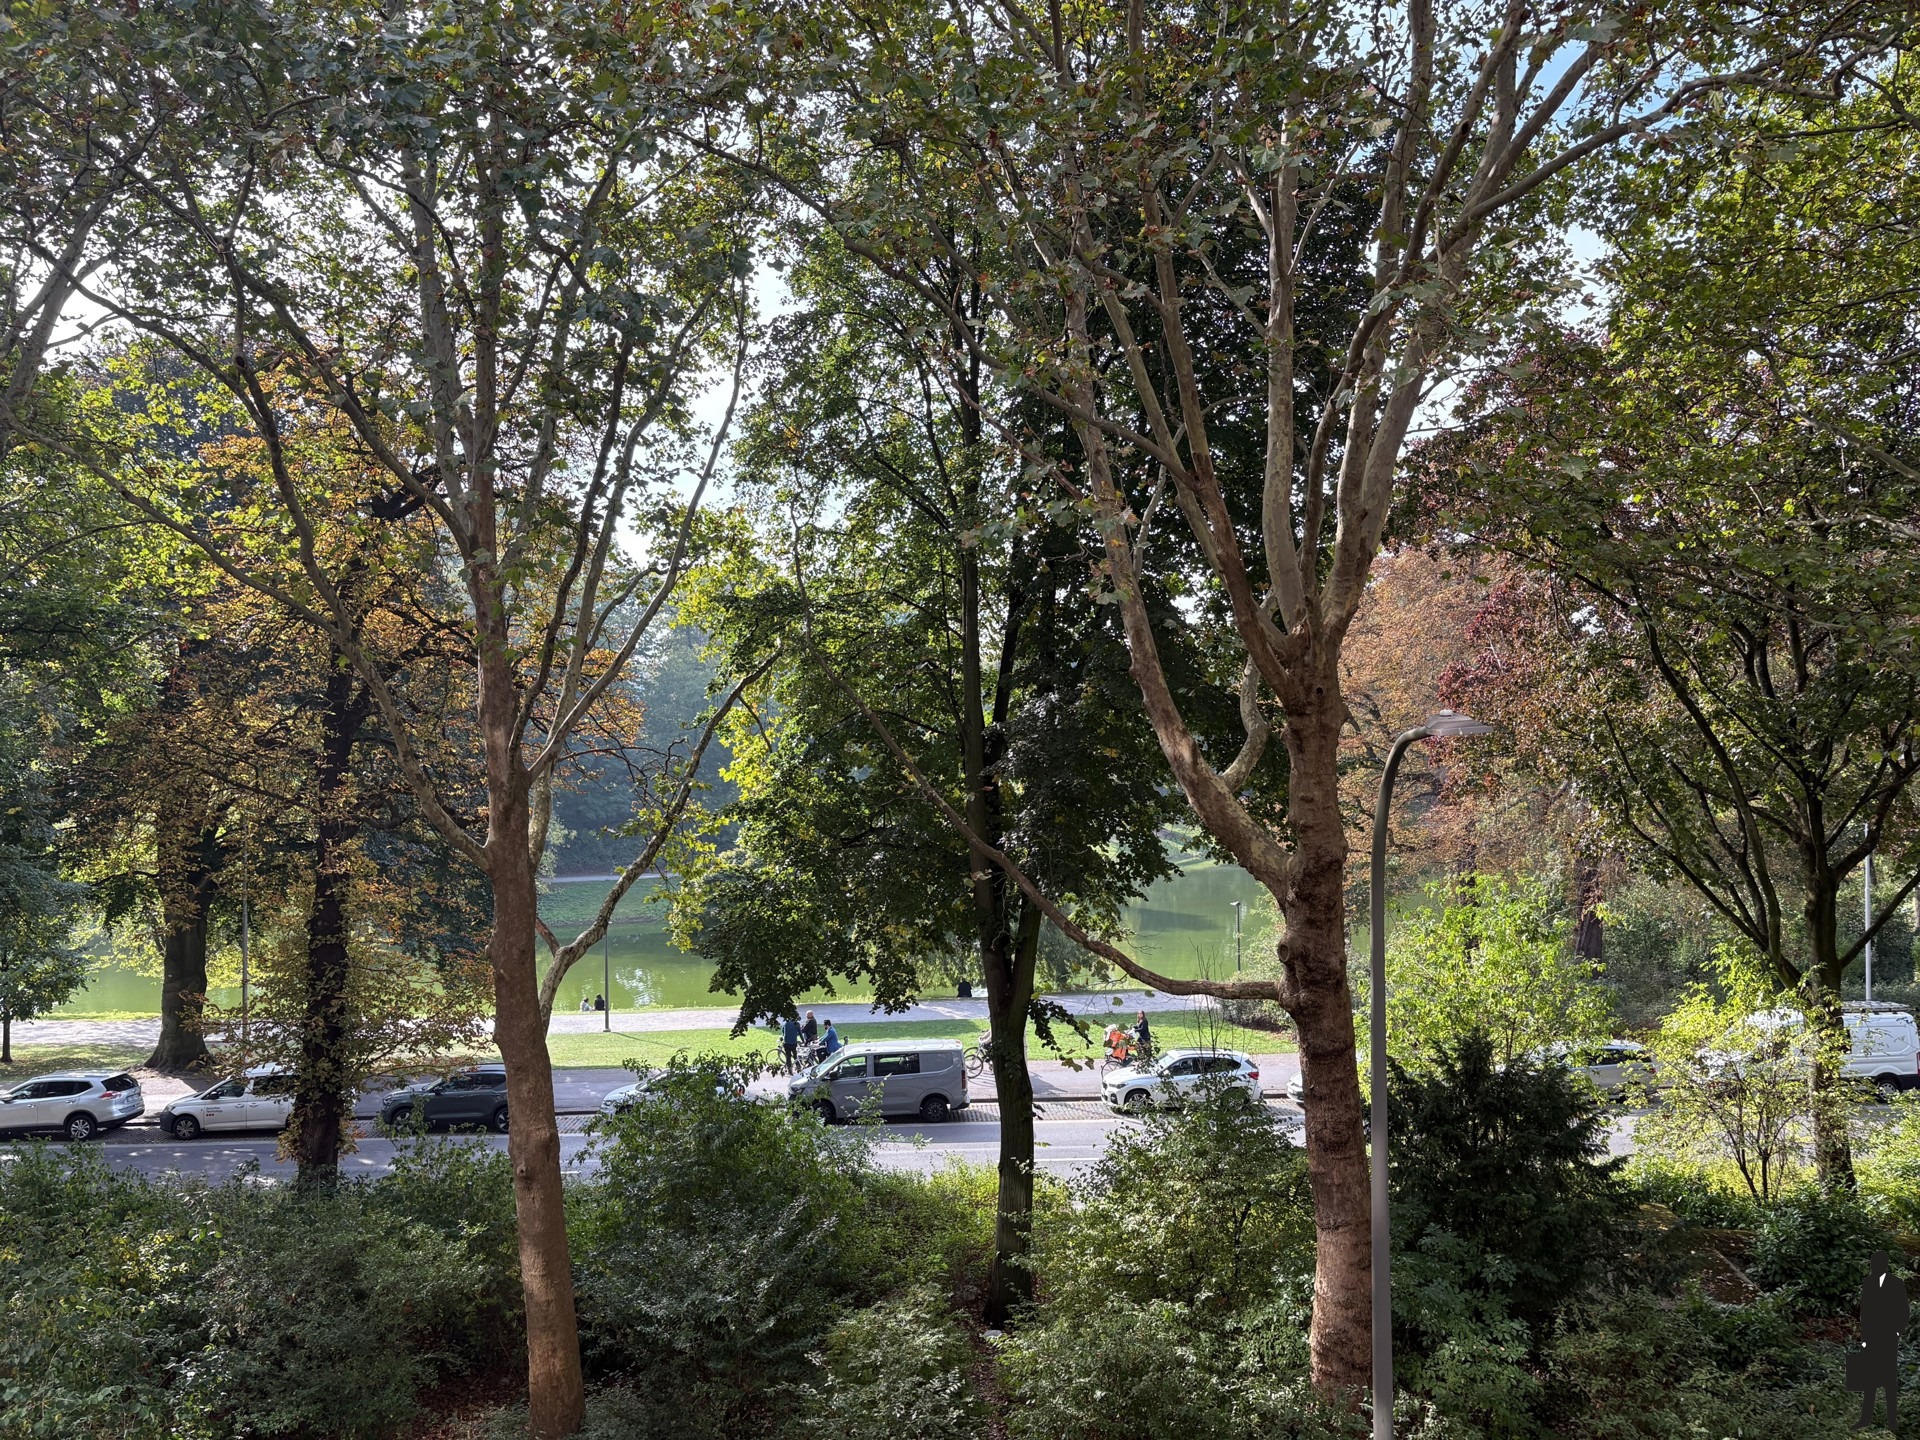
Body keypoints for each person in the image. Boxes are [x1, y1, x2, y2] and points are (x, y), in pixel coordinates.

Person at [1850, 1249, 1908, 1431]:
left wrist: (1897, 1332)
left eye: (1877, 1263)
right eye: (1872, 1263)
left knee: (1890, 1380)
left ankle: (1892, 1422)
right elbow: (1865, 1312)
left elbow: (1904, 1310)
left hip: (1889, 1338)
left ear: (1884, 1264)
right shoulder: (1868, 1283)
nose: (1874, 1267)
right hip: (1872, 1338)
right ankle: (1865, 1419)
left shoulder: (1896, 1284)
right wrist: (1864, 1338)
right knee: (1870, 1379)